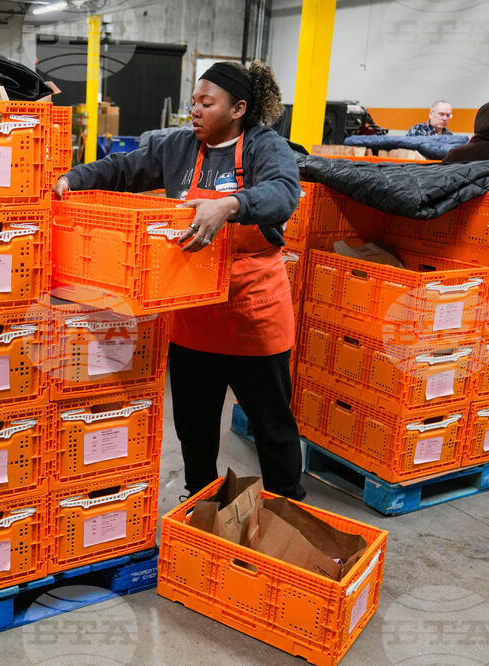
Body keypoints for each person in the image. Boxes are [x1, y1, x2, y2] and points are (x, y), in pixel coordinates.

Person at [52, 61, 306, 500]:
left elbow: (284, 192)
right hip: (193, 316)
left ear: (238, 108)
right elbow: (124, 167)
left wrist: (231, 205)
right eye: (193, 102)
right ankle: (201, 503)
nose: (195, 111)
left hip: (253, 316)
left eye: (206, 103)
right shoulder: (180, 148)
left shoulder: (266, 147)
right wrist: (73, 177)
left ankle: (289, 506)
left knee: (272, 425)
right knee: (194, 424)